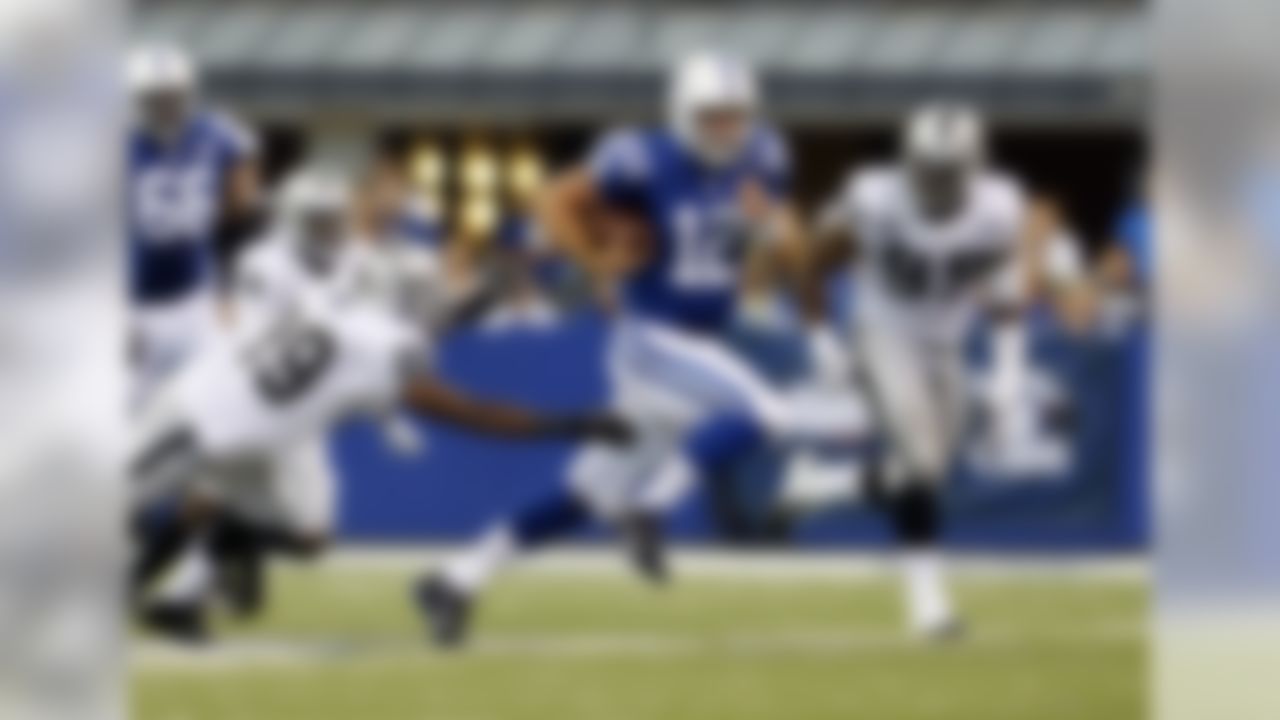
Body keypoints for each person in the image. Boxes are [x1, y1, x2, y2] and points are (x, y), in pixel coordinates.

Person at [420, 51, 867, 648]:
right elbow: (553, 200)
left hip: (694, 350)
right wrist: (596, 258)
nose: (726, 129)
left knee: (587, 495)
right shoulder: (641, 158)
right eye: (712, 117)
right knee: (764, 412)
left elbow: (786, 244)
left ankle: (455, 580)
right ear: (683, 114)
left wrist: (817, 331)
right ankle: (653, 508)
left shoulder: (764, 157)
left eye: (735, 116)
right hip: (652, 340)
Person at [131, 169, 631, 643]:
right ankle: (147, 588)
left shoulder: (325, 303)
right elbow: (472, 411)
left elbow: (420, 328)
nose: (429, 303)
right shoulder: (372, 341)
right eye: (419, 296)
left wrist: (477, 299)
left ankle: (161, 591)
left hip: (221, 412)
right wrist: (573, 422)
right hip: (220, 425)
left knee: (298, 531)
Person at [812, 102, 1034, 639]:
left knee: (929, 471)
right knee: (921, 463)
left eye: (947, 169)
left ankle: (828, 483)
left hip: (948, 343)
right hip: (884, 332)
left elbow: (1006, 290)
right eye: (927, 168)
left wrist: (1009, 370)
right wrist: (819, 337)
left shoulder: (1000, 207)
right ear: (908, 162)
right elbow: (813, 258)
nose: (935, 180)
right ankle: (927, 605)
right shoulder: (872, 196)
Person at [127, 44, 259, 403]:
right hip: (133, 301)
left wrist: (227, 291)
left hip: (196, 296)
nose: (168, 105)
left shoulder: (217, 133)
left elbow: (243, 213)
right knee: (127, 407)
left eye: (174, 95)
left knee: (214, 397)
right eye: (158, 97)